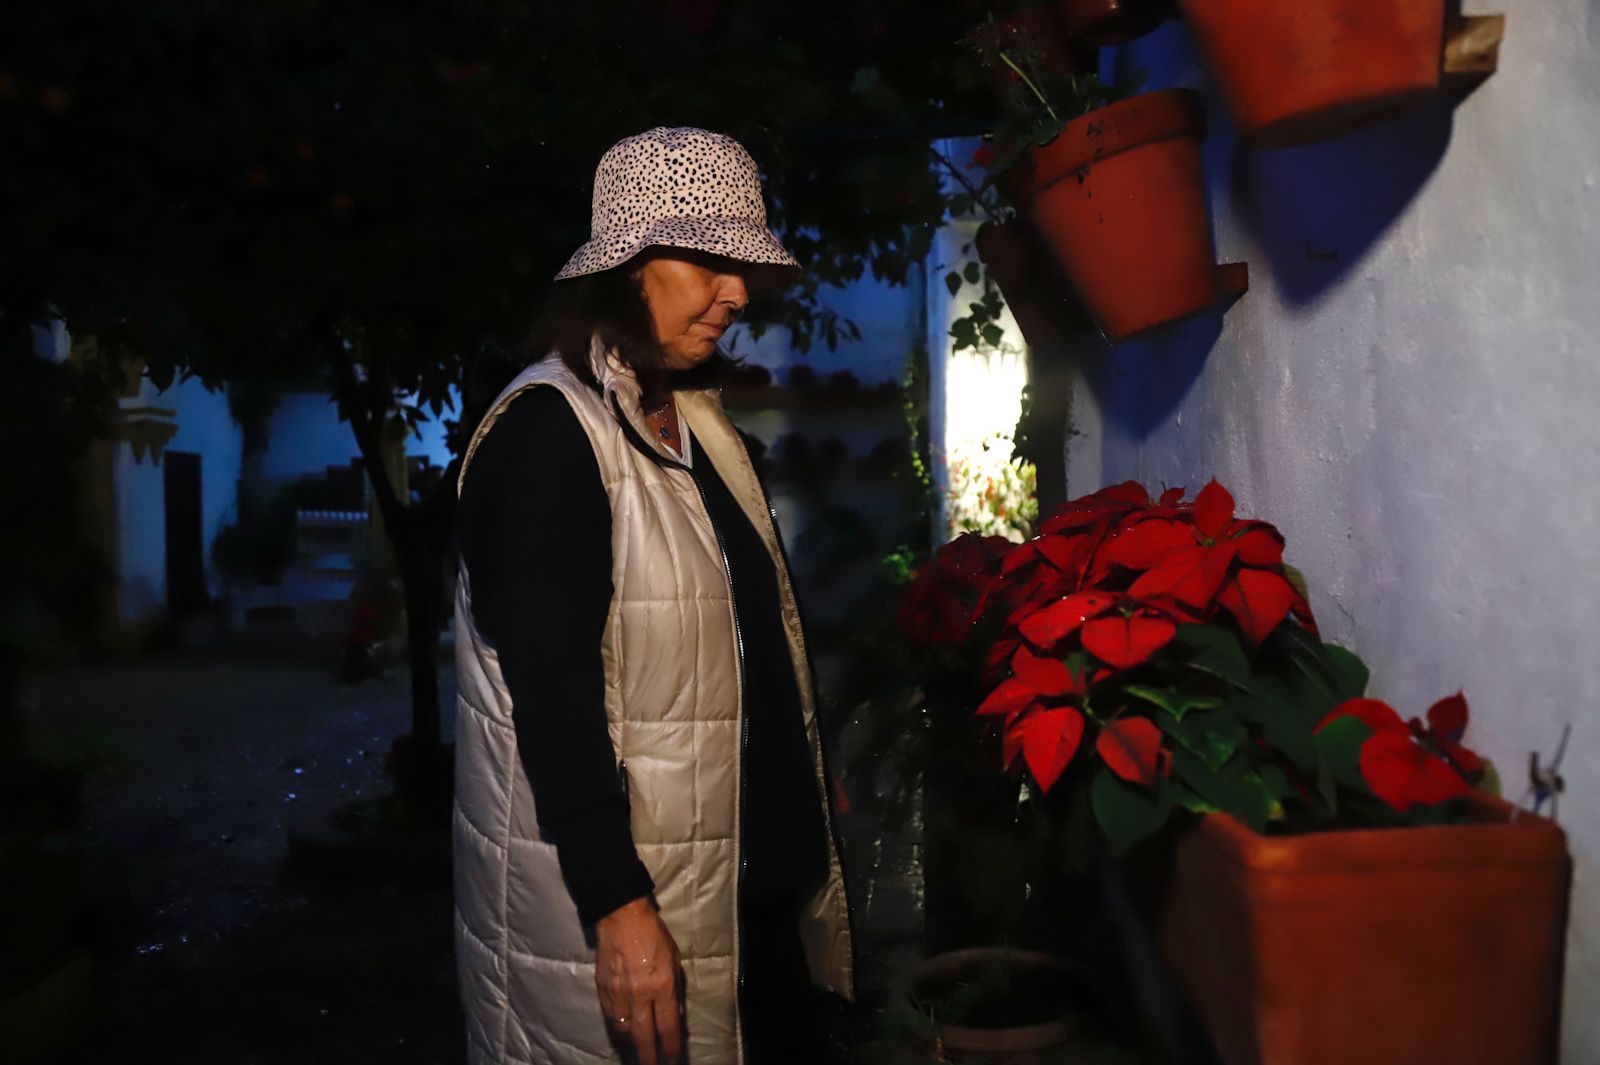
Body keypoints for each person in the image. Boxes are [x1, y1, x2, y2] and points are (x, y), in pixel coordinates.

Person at [452, 127, 854, 1065]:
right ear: (627, 267)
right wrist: (619, 909)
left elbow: (738, 627)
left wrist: (792, 758)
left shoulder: (697, 427)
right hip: (641, 916)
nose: (740, 291)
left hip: (741, 907)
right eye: (710, 258)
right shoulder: (551, 436)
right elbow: (550, 706)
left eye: (743, 264)